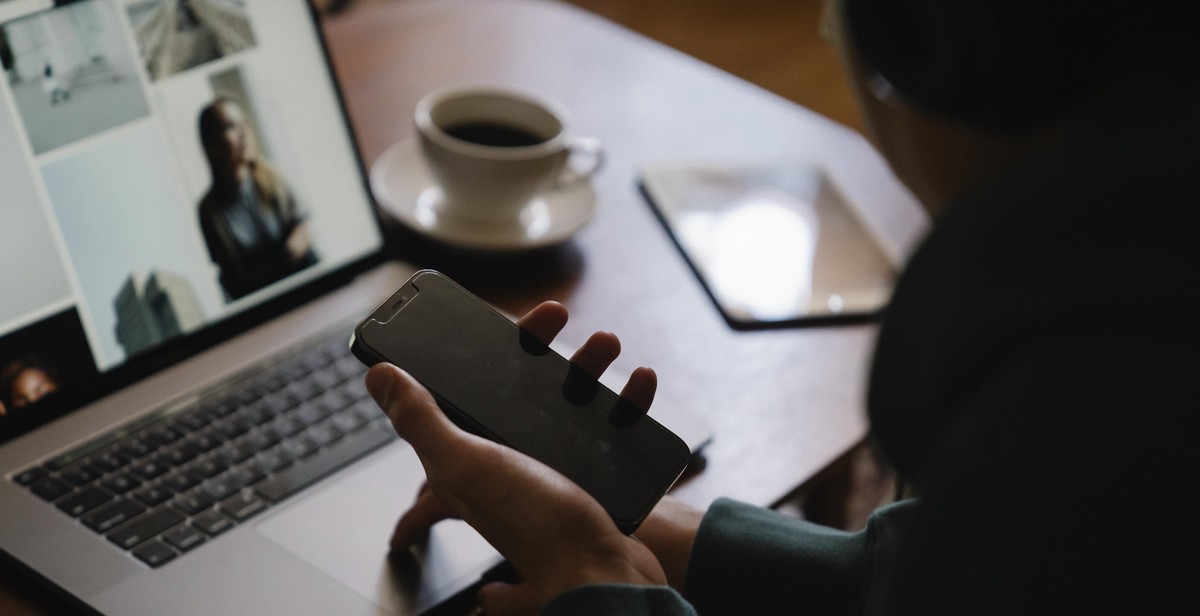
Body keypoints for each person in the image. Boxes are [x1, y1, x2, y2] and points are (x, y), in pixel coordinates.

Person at [365, 0, 1200, 613]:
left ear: (936, 42)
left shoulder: (1086, 399)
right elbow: (936, 587)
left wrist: (598, 588)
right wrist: (653, 537)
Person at [197, 97, 317, 301]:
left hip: (308, 286)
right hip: (266, 305)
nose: (243, 133)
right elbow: (234, 278)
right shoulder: (210, 211)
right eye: (230, 126)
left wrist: (295, 245)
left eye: (243, 123)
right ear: (212, 145)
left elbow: (302, 227)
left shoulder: (272, 176)